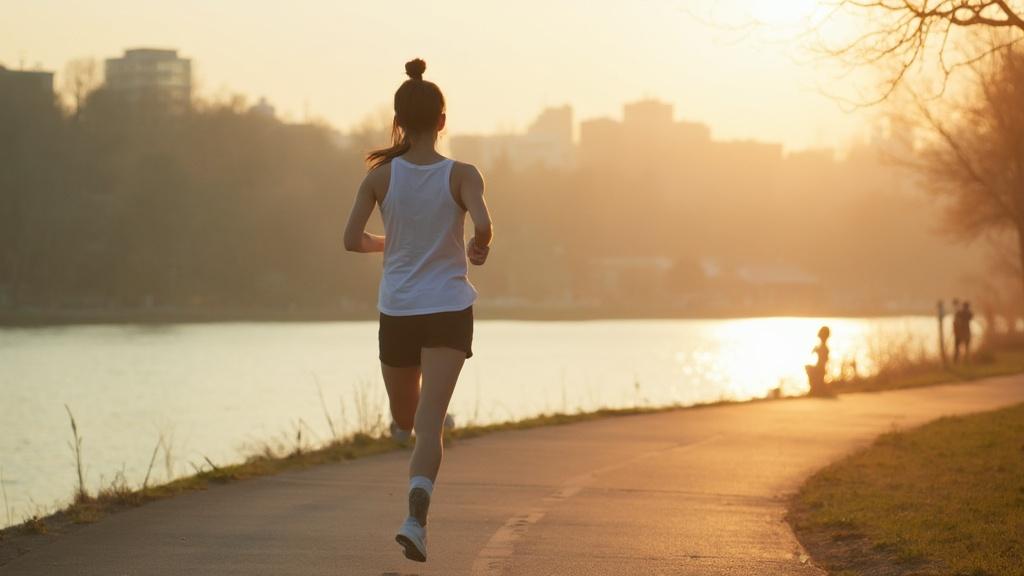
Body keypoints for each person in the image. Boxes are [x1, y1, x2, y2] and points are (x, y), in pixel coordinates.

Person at [343, 58, 493, 563]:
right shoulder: (464, 174)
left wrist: (392, 241)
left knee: (408, 420)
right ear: (443, 121)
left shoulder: (381, 177)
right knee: (424, 423)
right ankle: (415, 513)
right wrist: (479, 241)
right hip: (449, 308)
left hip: (401, 310)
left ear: (398, 121)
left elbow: (350, 240)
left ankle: (416, 516)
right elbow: (483, 220)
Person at [805, 326, 831, 395]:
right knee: (807, 367)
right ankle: (815, 388)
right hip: (820, 367)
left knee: (808, 368)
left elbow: (824, 360)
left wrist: (817, 350)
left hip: (820, 368)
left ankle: (816, 388)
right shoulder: (822, 346)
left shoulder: (824, 347)